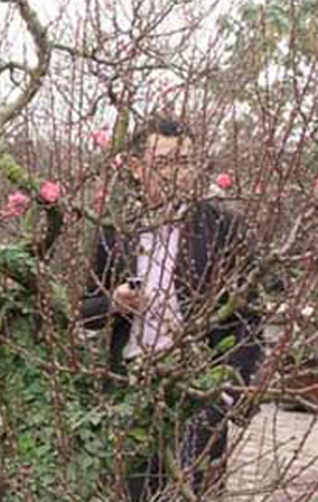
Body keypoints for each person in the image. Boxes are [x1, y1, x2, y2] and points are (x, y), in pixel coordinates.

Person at [80, 117, 262, 501]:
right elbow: (84, 312)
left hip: (197, 394)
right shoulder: (115, 232)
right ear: (135, 167)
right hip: (126, 392)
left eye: (186, 162)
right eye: (165, 163)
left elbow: (249, 318)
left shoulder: (221, 229)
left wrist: (226, 394)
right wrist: (113, 303)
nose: (179, 174)